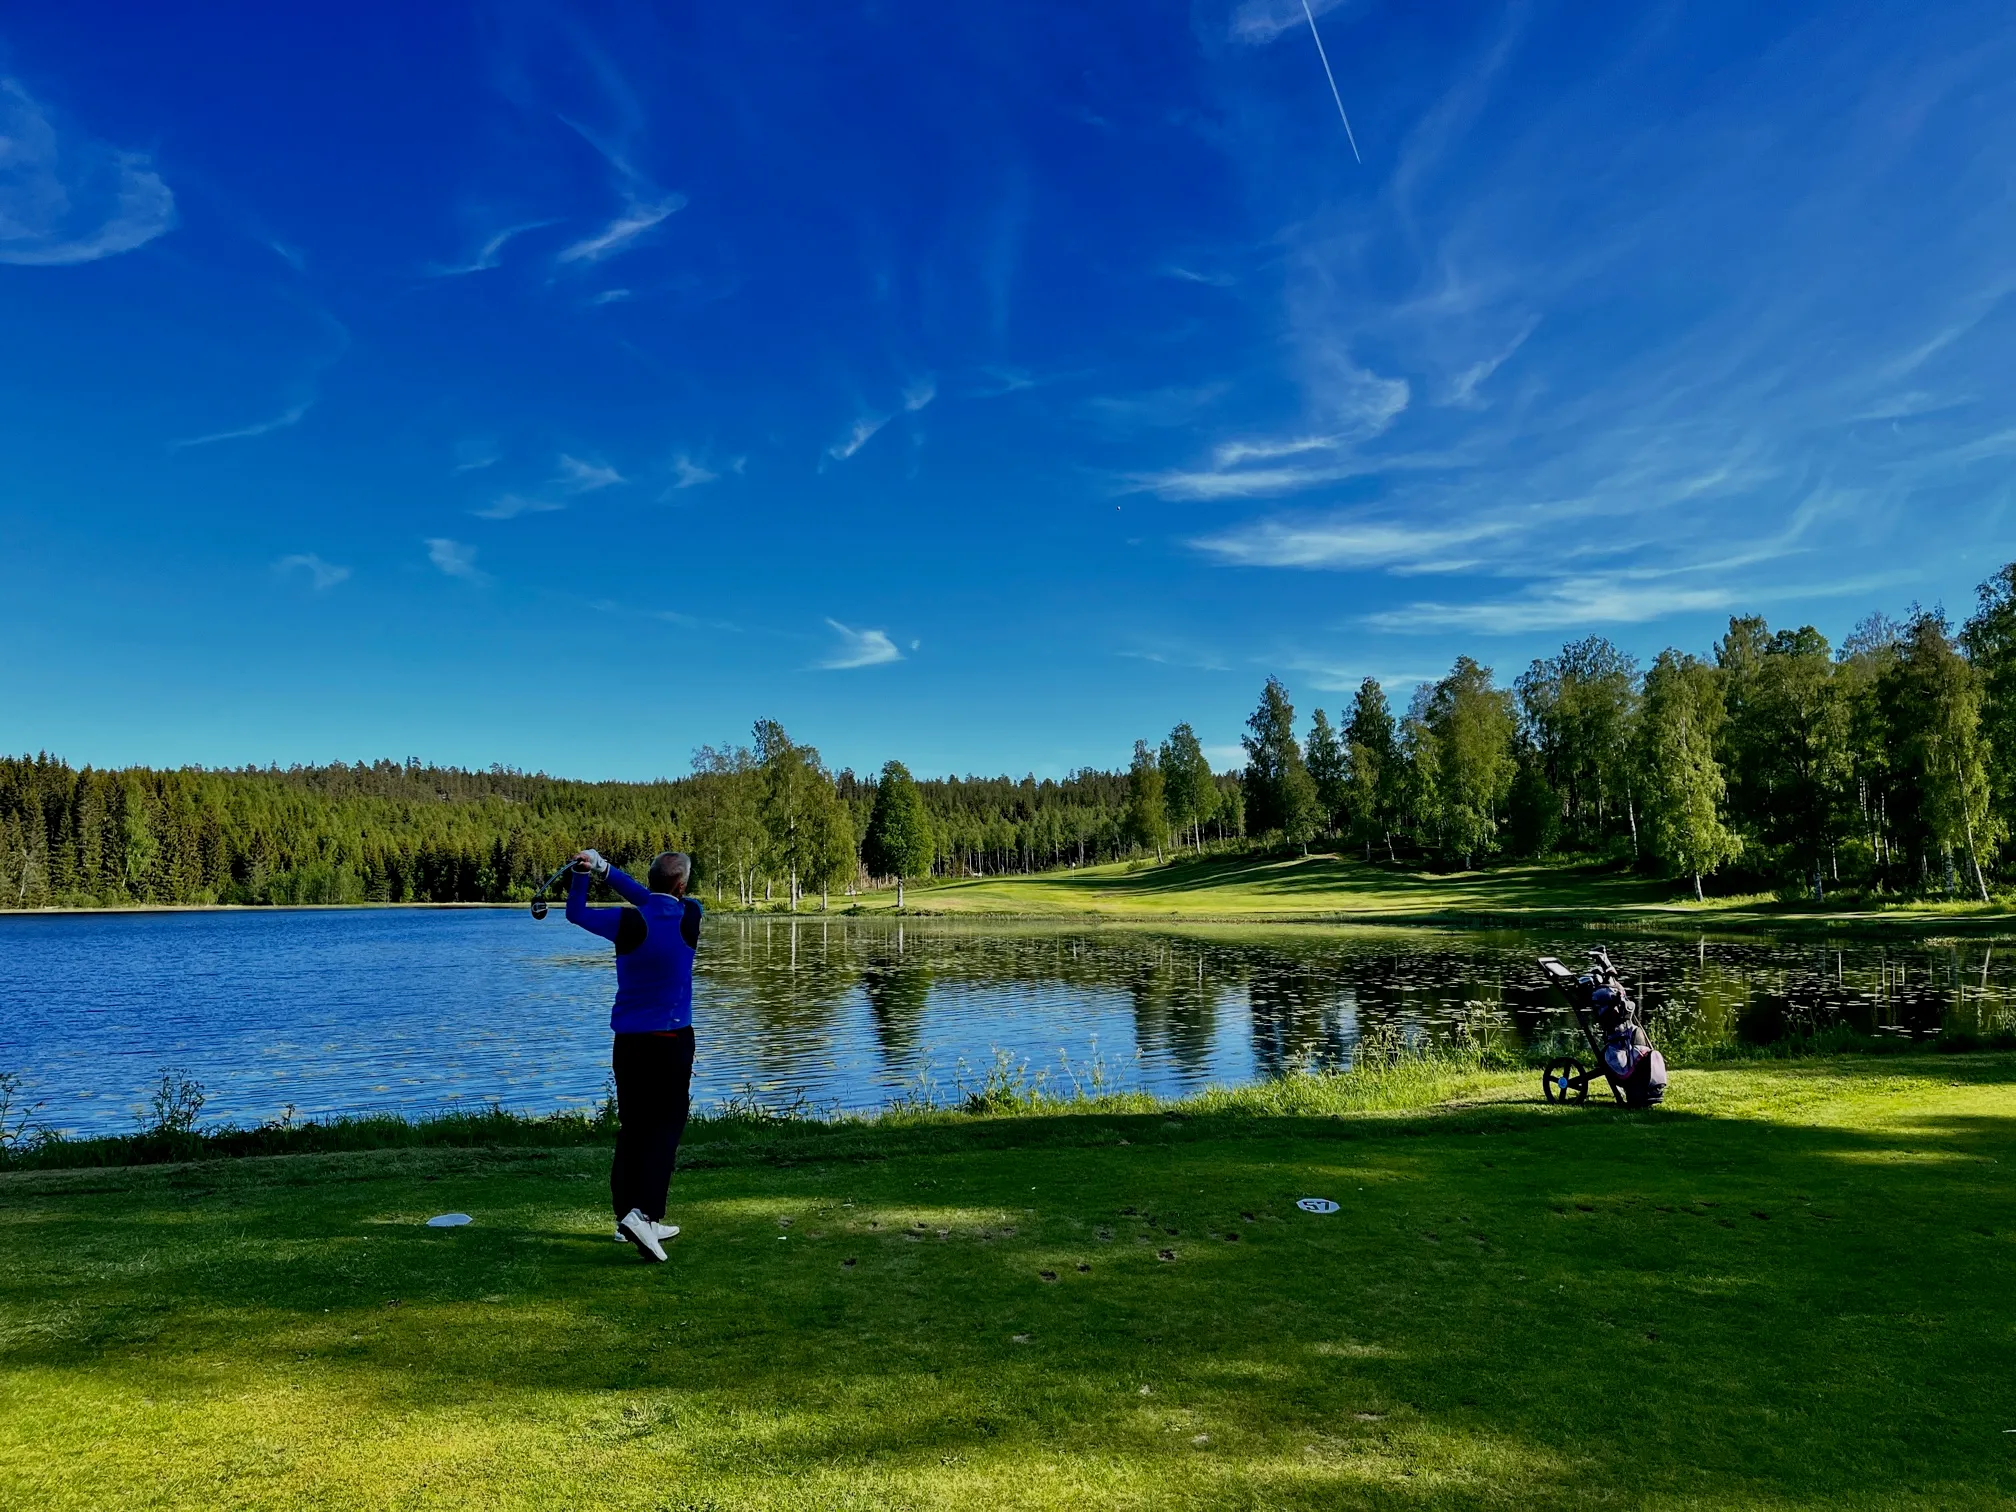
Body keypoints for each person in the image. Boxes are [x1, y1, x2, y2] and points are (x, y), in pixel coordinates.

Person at [565, 846, 701, 1262]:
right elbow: (654, 899)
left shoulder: (627, 921)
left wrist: (590, 872)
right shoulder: (690, 914)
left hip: (629, 1044)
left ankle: (629, 1219)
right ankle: (644, 1215)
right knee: (666, 1128)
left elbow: (577, 913)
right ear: (681, 885)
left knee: (633, 1127)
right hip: (673, 1041)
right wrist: (606, 870)